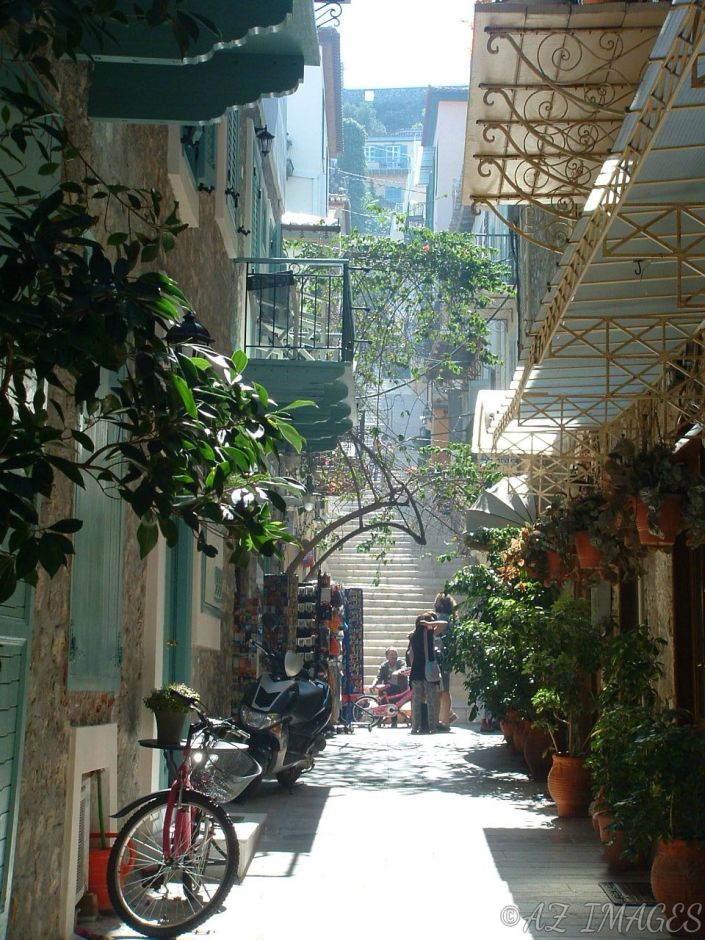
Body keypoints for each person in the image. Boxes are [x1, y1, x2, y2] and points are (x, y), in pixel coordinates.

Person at [406, 611, 440, 734]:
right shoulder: (429, 633)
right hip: (428, 670)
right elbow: (443, 624)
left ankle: (415, 727)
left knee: (416, 700)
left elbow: (410, 654)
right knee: (431, 700)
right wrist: (430, 624)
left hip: (416, 670)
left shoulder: (412, 636)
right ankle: (432, 727)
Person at [433, 592, 459, 729]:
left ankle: (444, 721)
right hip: (448, 655)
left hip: (438, 656)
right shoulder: (453, 618)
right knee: (445, 688)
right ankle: (447, 717)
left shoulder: (440, 618)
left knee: (441, 690)